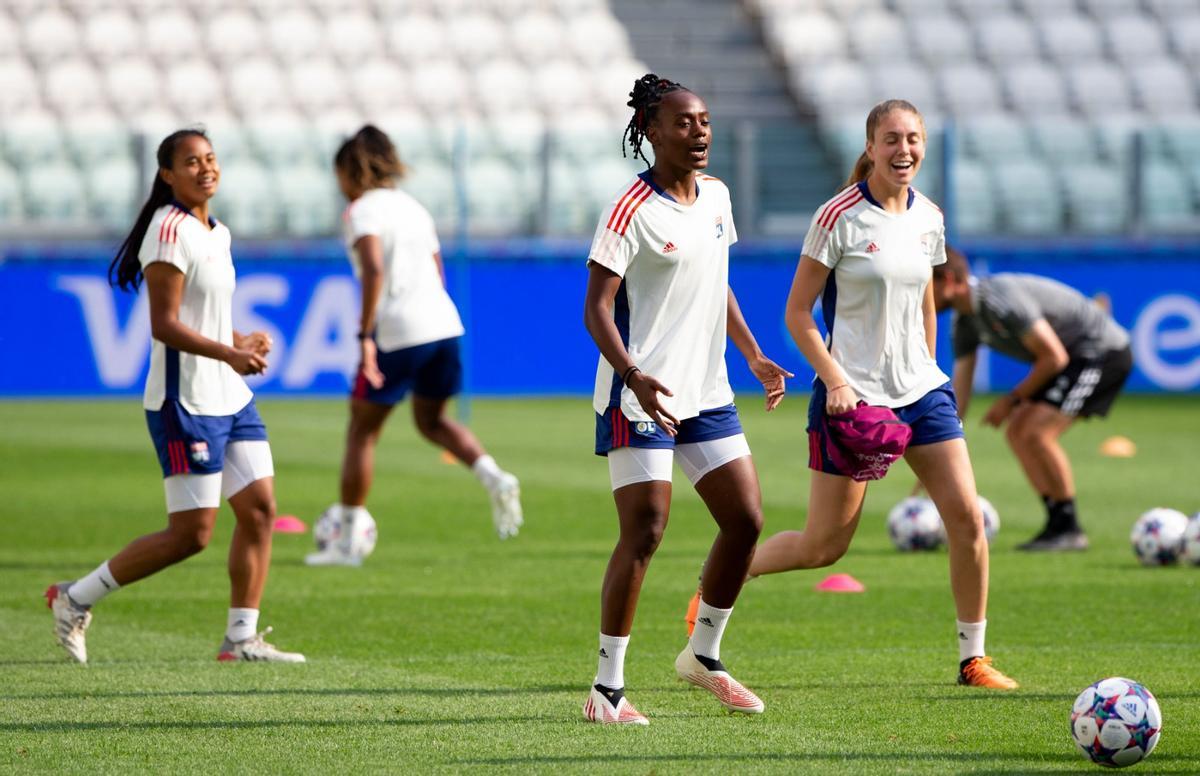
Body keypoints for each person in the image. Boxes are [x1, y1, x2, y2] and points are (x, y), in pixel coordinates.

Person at [744, 100, 1017, 689]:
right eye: (891, 139)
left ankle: (974, 659)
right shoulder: (838, 215)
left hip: (922, 394)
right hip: (853, 400)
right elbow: (797, 314)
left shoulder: (931, 217)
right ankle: (723, 579)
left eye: (913, 139)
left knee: (967, 516)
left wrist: (927, 364)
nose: (904, 150)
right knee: (824, 547)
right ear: (870, 147)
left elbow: (924, 297)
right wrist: (837, 380)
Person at [45, 129, 304, 663]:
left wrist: (238, 340)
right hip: (184, 402)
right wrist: (228, 354)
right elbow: (164, 325)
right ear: (167, 174)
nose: (205, 168)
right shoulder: (168, 230)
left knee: (259, 511)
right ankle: (75, 597)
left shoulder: (217, 232)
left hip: (230, 398)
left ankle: (240, 638)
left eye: (210, 159)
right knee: (191, 535)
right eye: (191, 162)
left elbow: (202, 316)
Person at [581, 74, 793, 725]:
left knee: (747, 519)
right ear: (649, 130)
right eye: (683, 123)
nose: (699, 133)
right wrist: (633, 373)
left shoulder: (718, 197)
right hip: (638, 394)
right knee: (644, 532)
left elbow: (717, 281)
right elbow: (596, 308)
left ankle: (703, 655)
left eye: (704, 122)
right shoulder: (629, 210)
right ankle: (606, 690)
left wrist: (753, 352)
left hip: (705, 391)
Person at [305, 125, 522, 567]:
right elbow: (437, 269)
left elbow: (372, 269)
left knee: (361, 432)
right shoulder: (413, 207)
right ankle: (495, 476)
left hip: (398, 330)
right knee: (432, 421)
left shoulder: (361, 211)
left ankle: (346, 546)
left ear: (351, 171)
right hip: (443, 325)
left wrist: (366, 336)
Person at [931, 247, 1133, 551]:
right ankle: (1058, 524)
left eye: (923, 285)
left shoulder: (998, 300)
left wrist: (1011, 399)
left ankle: (1070, 528)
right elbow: (961, 388)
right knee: (1018, 432)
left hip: (1101, 352)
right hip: (1070, 358)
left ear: (947, 279)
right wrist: (940, 444)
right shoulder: (965, 322)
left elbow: (1053, 357)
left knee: (1037, 432)